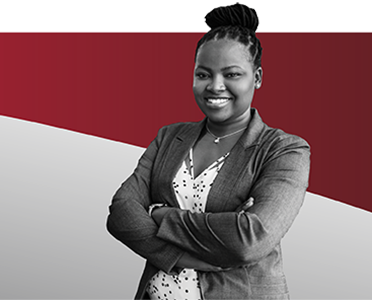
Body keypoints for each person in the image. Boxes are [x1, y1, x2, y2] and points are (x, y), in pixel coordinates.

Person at [106, 3, 310, 299]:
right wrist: (175, 255)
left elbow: (249, 240)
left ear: (258, 77)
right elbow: (121, 211)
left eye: (232, 74)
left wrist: (157, 213)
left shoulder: (284, 150)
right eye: (203, 74)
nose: (215, 86)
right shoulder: (169, 136)